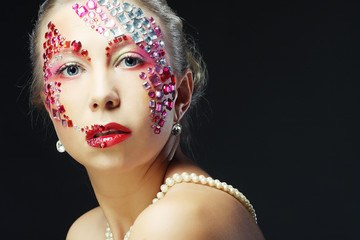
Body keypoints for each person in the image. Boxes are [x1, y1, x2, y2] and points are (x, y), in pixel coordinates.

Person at [29, 0, 265, 239]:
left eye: (130, 60)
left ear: (180, 95)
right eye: (71, 69)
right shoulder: (87, 231)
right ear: (49, 105)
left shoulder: (177, 220)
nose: (102, 95)